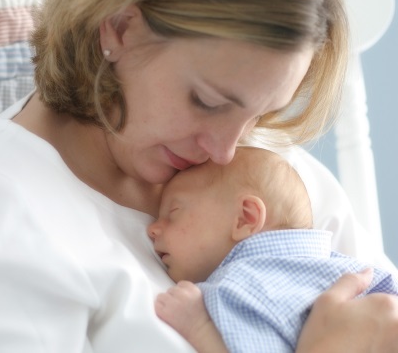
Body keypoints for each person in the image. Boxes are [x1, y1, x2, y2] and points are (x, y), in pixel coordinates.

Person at [0, 0, 397, 352]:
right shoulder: (16, 218)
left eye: (258, 114)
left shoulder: (271, 177)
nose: (226, 151)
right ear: (118, 28)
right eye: (208, 102)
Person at [149, 146, 398, 352]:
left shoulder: (245, 288)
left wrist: (200, 327)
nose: (152, 230)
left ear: (245, 217)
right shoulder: (345, 268)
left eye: (174, 213)